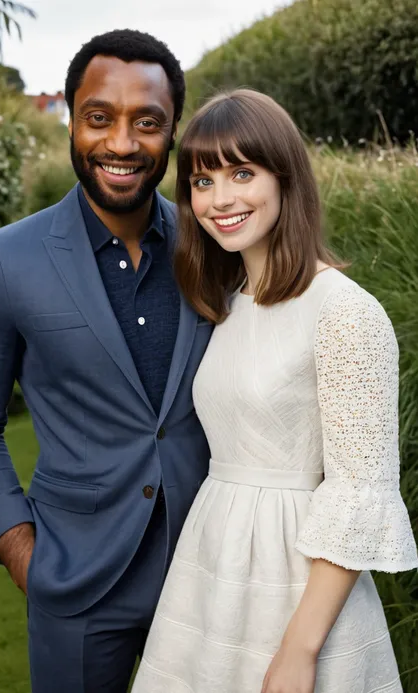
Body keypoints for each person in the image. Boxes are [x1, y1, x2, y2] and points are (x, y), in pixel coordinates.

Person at [0, 30, 212, 693]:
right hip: (79, 586)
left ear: (172, 131)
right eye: (100, 117)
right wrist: (22, 552)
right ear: (72, 117)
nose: (122, 143)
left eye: (146, 122)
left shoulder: (213, 248)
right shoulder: (5, 263)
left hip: (212, 576)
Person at [132, 89, 418, 693]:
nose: (221, 199)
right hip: (214, 564)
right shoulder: (230, 305)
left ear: (285, 178)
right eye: (203, 181)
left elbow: (359, 494)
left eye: (242, 172)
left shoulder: (345, 312)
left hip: (296, 582)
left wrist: (300, 649)